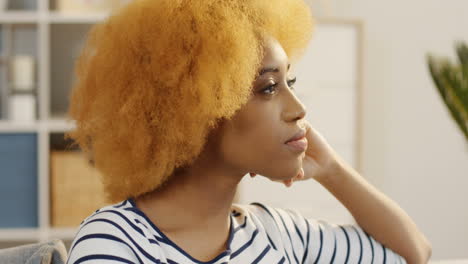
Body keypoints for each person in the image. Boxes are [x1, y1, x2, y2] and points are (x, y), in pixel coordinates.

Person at [64, 0, 431, 263]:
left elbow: (412, 253)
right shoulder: (115, 242)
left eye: (291, 81)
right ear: (198, 111)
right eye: (269, 88)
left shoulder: (278, 233)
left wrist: (332, 169)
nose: (299, 109)